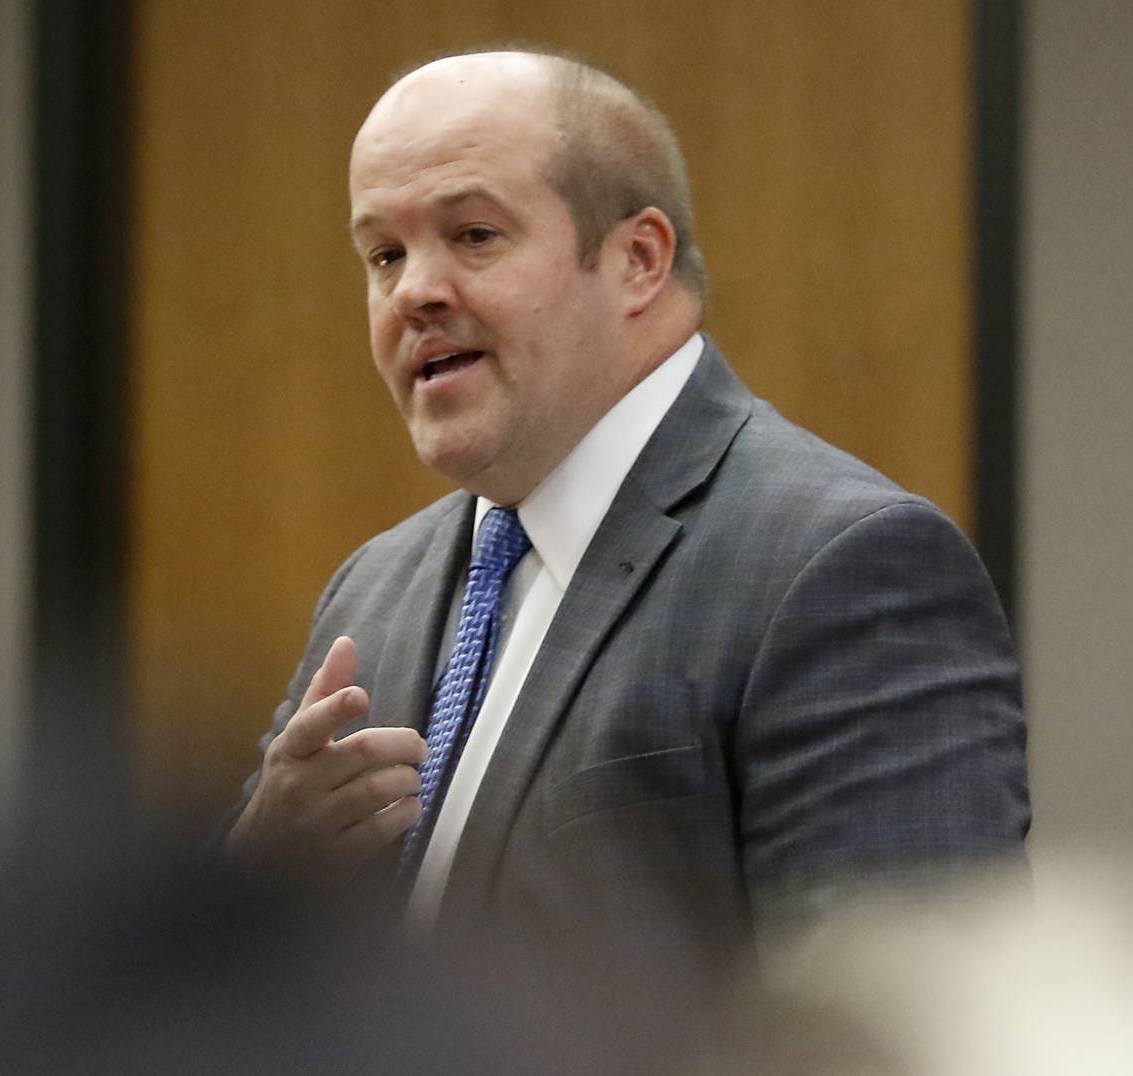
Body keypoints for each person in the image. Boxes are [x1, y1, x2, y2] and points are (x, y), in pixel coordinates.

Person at [225, 49, 1029, 971]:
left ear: (638, 259)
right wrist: (258, 864)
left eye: (475, 235)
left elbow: (905, 1030)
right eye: (384, 254)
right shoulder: (374, 590)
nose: (414, 291)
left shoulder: (840, 565)